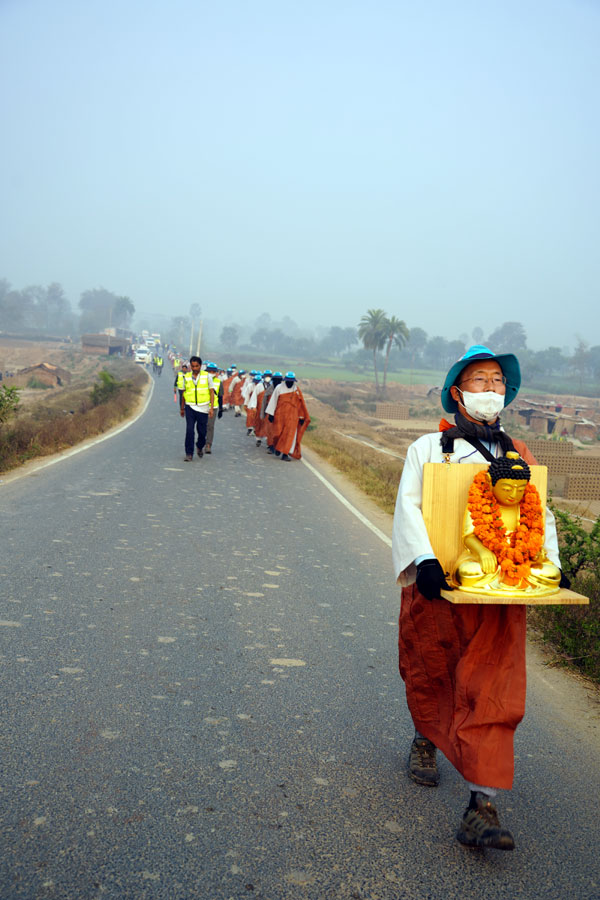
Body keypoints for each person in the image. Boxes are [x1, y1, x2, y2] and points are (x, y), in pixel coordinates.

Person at [392, 345, 567, 851]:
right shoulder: (429, 448)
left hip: (499, 597)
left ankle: (480, 804)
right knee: (431, 672)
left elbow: (541, 516)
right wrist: (423, 562)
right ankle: (426, 738)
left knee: (494, 690)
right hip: (440, 591)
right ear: (457, 392)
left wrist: (547, 567)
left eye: (497, 381)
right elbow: (409, 506)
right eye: (480, 380)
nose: (491, 389)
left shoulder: (518, 457)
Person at [265, 371, 310, 461]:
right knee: (277, 433)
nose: (290, 382)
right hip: (280, 415)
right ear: (285, 380)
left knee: (290, 435)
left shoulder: (296, 390)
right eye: (288, 380)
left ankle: (285, 453)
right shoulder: (279, 388)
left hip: (292, 417)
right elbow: (273, 400)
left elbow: (300, 405)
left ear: (293, 381)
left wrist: (301, 417)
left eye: (291, 381)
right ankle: (278, 447)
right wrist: (271, 414)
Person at [180, 356, 214, 461]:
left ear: (200, 366)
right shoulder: (186, 377)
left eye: (197, 366)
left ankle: (200, 446)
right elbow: (183, 393)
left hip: (203, 408)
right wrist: (182, 408)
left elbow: (211, 392)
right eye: (193, 366)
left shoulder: (207, 376)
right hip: (190, 407)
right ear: (190, 366)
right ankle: (189, 453)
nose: (194, 368)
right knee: (189, 430)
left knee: (202, 432)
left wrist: (211, 408)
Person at [204, 362, 223, 454]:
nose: (211, 373)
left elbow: (220, 396)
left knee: (210, 426)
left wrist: (221, 409)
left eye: (213, 371)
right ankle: (201, 441)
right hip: (202, 406)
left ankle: (208, 445)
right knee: (202, 426)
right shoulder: (202, 380)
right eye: (210, 371)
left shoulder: (219, 382)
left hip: (213, 407)